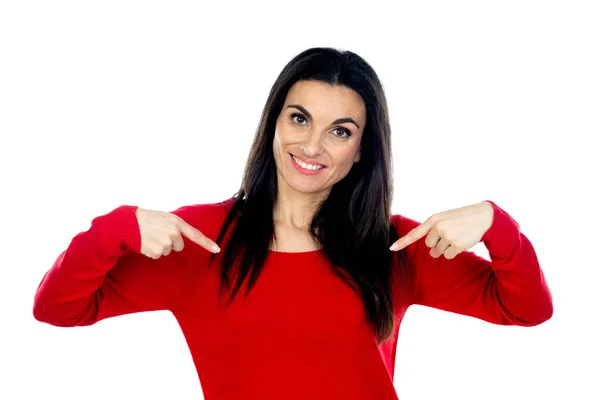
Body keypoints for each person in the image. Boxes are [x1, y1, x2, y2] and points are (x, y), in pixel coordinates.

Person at [32, 47, 553, 400]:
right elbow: (58, 308)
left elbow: (526, 309)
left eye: (340, 131)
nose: (311, 146)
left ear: (361, 152)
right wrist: (113, 230)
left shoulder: (394, 245)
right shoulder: (201, 241)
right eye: (299, 118)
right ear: (274, 123)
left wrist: (495, 225)